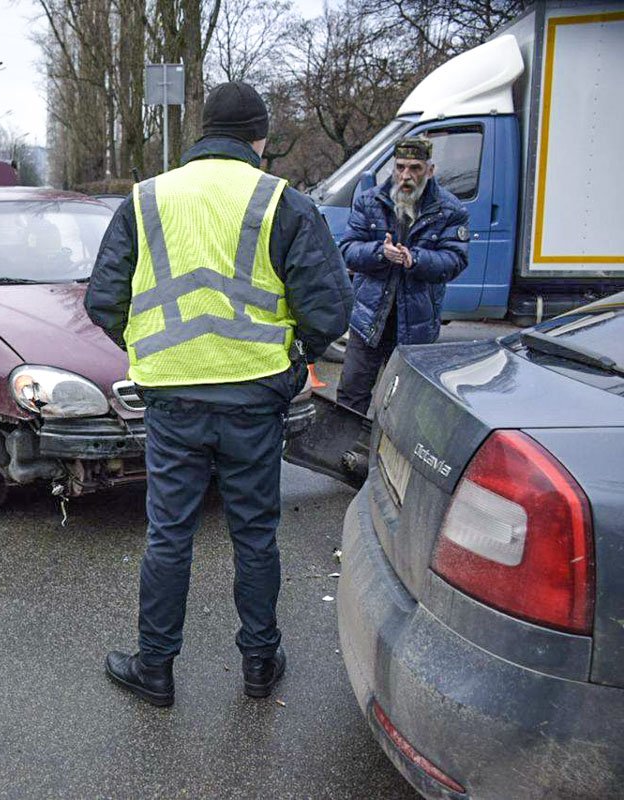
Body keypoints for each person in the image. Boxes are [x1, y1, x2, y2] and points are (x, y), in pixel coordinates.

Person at [85, 82, 352, 705]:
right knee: (255, 534)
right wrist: (290, 362)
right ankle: (260, 665)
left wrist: (155, 347)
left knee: (168, 535)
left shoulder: (145, 199)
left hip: (172, 402)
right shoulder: (283, 202)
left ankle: (156, 670)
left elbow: (103, 301)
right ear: (258, 137)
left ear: (203, 132)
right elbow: (330, 312)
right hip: (255, 400)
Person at [335, 136, 469, 414]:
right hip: (369, 320)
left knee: (403, 406)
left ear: (430, 170)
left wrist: (415, 259)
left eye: (415, 168)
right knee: (351, 395)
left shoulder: (450, 209)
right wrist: (379, 253)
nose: (406, 175)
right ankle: (342, 453)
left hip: (416, 326)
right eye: (401, 167)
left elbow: (455, 260)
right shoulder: (369, 202)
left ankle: (383, 454)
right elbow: (347, 250)